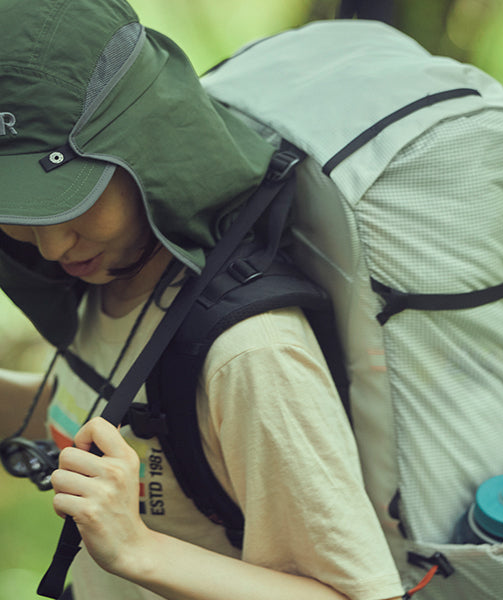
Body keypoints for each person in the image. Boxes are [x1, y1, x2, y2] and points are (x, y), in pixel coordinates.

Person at [0, 1, 406, 599]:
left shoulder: (250, 351)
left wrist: (138, 549)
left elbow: (359, 594)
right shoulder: (107, 277)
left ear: (144, 154)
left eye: (73, 199)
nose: (54, 242)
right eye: (20, 208)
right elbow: (101, 418)